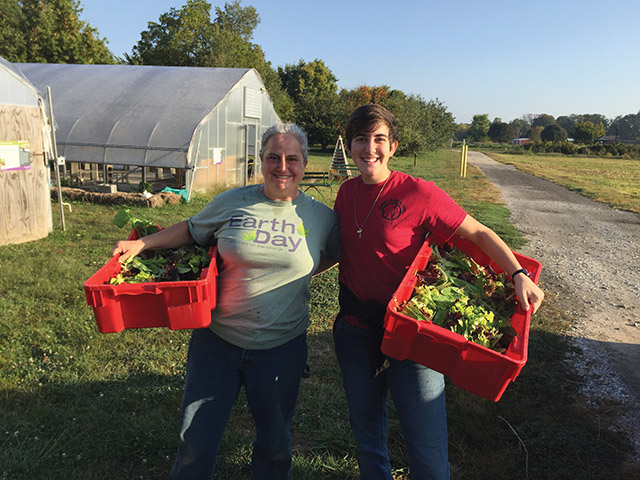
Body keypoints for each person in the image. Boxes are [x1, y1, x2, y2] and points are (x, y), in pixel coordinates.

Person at [111, 123, 340, 480]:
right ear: (260, 161)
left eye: (292, 158)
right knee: (195, 439)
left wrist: (302, 272)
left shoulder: (321, 218)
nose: (282, 166)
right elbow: (191, 228)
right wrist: (143, 244)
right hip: (217, 343)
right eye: (273, 157)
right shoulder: (233, 201)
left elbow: (336, 254)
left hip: (281, 348)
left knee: (276, 444)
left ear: (305, 162)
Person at [332, 104, 544, 479]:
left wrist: (517, 273)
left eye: (379, 139)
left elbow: (477, 232)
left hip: (411, 336)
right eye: (361, 139)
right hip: (354, 331)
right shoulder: (345, 193)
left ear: (393, 146)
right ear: (350, 146)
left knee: (426, 447)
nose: (370, 148)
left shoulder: (418, 193)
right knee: (367, 438)